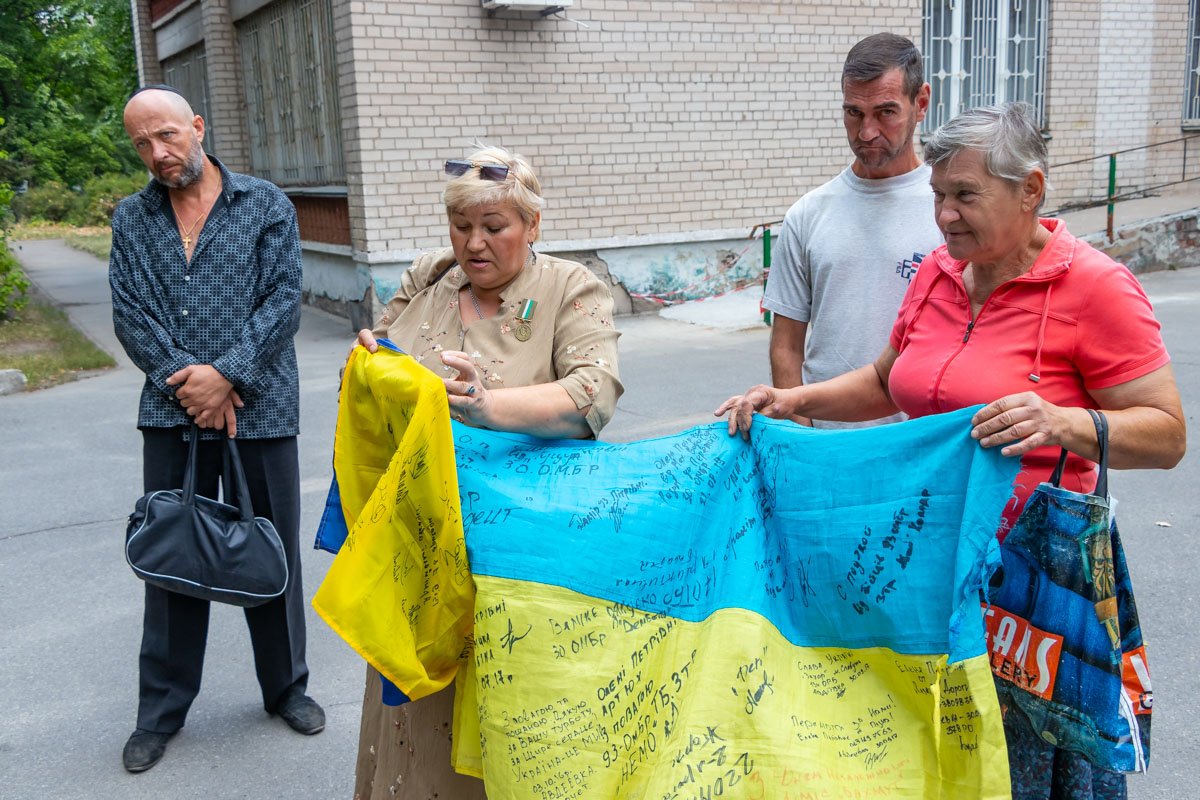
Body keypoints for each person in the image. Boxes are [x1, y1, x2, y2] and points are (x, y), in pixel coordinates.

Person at [718, 102, 1185, 799]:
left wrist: (1063, 421)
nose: (943, 215)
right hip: (921, 568)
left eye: (965, 195)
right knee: (924, 756)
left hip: (1026, 588)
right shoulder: (940, 272)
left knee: (1015, 764)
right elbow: (888, 382)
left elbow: (1167, 433)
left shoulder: (1095, 288)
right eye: (938, 195)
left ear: (1030, 190)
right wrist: (792, 401)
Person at [351, 145, 623, 798]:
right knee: (419, 711)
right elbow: (383, 348)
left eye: (494, 226)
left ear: (532, 225)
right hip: (422, 542)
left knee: (508, 713)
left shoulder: (570, 288)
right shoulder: (429, 276)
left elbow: (593, 394)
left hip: (516, 551)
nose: (474, 243)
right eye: (461, 225)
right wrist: (369, 363)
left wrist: (487, 406)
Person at [110, 85, 323, 774]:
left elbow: (282, 300)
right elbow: (130, 313)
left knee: (271, 550)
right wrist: (193, 386)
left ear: (197, 127)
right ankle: (160, 713)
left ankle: (286, 689)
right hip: (172, 412)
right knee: (173, 555)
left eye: (167, 134)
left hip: (262, 410)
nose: (158, 152)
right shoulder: (132, 218)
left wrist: (227, 376)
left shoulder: (265, 204)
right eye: (142, 143)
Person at [763, 32, 942, 428]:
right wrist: (802, 436)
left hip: (922, 441)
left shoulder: (949, 211)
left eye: (886, 112)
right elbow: (786, 346)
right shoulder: (808, 214)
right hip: (829, 443)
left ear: (921, 103)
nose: (866, 132)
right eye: (854, 113)